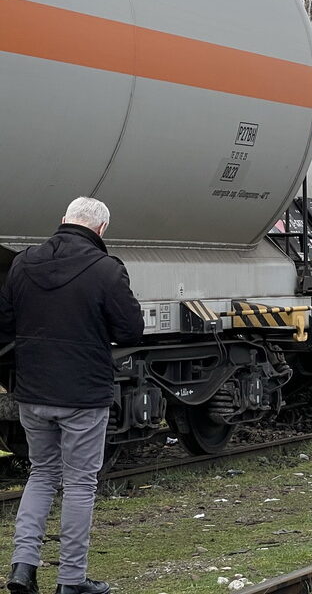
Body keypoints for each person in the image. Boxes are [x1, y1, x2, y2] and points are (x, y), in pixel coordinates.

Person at [0, 198, 143, 594]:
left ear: (63, 221)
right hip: (82, 394)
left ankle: (23, 569)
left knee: (41, 474)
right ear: (101, 230)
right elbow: (131, 331)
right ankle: (70, 581)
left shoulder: (23, 263)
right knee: (80, 484)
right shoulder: (106, 270)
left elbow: (5, 325)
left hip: (32, 391)